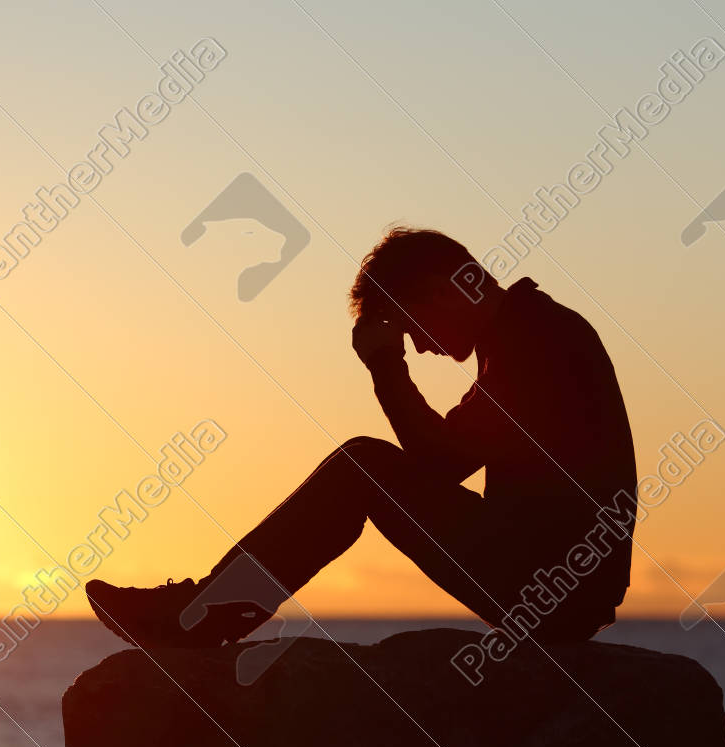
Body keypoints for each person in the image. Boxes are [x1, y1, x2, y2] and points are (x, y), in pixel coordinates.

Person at [86, 227, 637, 647]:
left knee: (362, 468)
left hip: (554, 587)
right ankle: (206, 608)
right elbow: (446, 457)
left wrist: (385, 367)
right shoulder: (529, 332)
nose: (420, 347)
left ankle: (202, 614)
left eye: (411, 326)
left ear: (444, 292)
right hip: (556, 583)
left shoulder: (535, 339)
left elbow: (440, 462)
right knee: (364, 465)